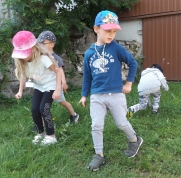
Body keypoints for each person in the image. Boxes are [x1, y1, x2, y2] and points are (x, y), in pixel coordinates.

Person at [79, 10, 143, 171]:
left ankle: (135, 140)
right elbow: (87, 76)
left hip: (116, 94)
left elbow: (133, 63)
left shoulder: (116, 48)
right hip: (97, 96)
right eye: (108, 30)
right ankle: (98, 154)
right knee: (96, 125)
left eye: (114, 31)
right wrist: (84, 95)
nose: (111, 34)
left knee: (121, 122)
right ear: (96, 29)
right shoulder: (89, 54)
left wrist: (128, 83)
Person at [12, 30, 63, 145]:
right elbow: (23, 76)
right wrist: (20, 91)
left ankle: (51, 136)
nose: (23, 58)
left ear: (34, 48)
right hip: (39, 87)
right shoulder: (23, 62)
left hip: (50, 86)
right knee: (35, 110)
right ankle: (41, 133)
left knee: (43, 109)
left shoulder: (43, 59)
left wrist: (57, 89)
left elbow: (58, 71)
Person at [36, 30, 79, 124]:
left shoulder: (55, 58)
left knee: (62, 102)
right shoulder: (41, 56)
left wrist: (63, 82)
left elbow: (60, 70)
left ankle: (74, 115)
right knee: (43, 106)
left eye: (43, 43)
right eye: (39, 43)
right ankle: (42, 124)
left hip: (56, 86)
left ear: (52, 44)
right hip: (45, 86)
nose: (40, 45)